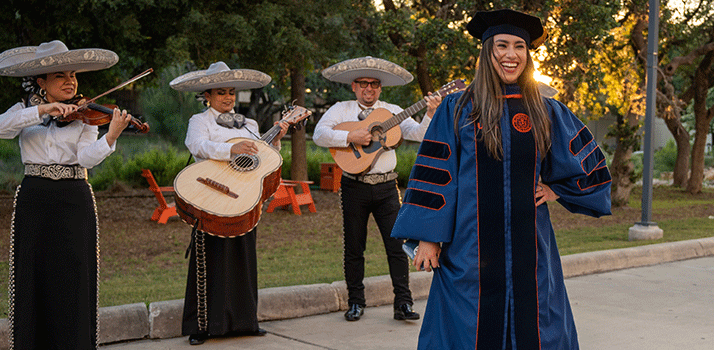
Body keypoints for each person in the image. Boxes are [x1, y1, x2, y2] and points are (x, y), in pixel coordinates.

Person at [390, 9, 613, 349]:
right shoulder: (457, 108)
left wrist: (557, 189)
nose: (511, 55)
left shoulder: (545, 109)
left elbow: (589, 165)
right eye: (502, 45)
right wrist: (428, 237)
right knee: (467, 326)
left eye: (520, 47)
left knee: (536, 322)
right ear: (487, 51)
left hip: (531, 247)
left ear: (528, 54)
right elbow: (436, 176)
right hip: (469, 247)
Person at [0, 40, 136, 349]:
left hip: (74, 197)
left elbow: (85, 158)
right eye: (61, 76)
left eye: (73, 75)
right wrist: (41, 110)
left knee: (75, 275)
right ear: (41, 81)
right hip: (35, 198)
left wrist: (111, 136)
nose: (71, 82)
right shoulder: (24, 109)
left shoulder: (85, 114)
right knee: (33, 273)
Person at [313, 56, 441, 322]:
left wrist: (429, 113)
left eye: (374, 84)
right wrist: (350, 136)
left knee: (397, 247)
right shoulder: (341, 109)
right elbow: (319, 134)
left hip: (386, 187)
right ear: (354, 86)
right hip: (353, 186)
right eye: (363, 84)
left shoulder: (392, 110)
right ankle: (356, 303)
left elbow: (418, 134)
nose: (368, 89)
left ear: (380, 88)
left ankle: (403, 304)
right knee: (354, 247)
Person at [169, 62, 289, 346]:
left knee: (243, 258)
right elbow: (196, 145)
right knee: (206, 258)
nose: (227, 98)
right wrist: (229, 149)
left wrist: (277, 143)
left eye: (231, 92)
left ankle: (245, 322)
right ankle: (201, 326)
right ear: (207, 95)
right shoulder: (200, 121)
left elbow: (261, 160)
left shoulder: (250, 125)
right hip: (209, 195)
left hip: (243, 197)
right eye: (221, 92)